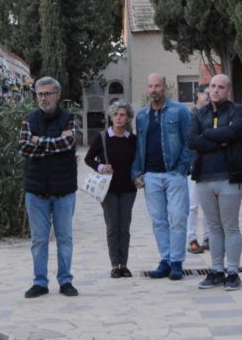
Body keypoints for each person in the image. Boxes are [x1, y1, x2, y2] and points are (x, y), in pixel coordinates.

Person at [187, 74, 242, 291]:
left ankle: (233, 272)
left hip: (230, 178)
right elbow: (192, 140)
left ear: (228, 90)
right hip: (204, 178)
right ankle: (216, 270)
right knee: (213, 228)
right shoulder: (199, 114)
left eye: (220, 87)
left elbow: (236, 131)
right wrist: (220, 140)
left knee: (230, 226)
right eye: (212, 86)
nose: (215, 90)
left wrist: (208, 135)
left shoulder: (238, 111)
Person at [19, 77, 79, 298]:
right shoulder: (29, 119)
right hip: (36, 191)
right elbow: (23, 148)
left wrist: (39, 141)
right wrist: (52, 143)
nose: (43, 98)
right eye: (40, 94)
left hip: (63, 190)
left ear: (57, 94)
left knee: (64, 238)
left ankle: (65, 281)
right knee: (39, 240)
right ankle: (40, 282)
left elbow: (68, 143)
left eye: (48, 93)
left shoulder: (68, 118)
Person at [133, 74, 193, 280]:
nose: (153, 90)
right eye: (150, 86)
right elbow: (138, 147)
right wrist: (137, 173)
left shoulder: (180, 111)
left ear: (165, 87)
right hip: (151, 176)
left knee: (178, 218)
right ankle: (165, 260)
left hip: (174, 174)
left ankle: (177, 262)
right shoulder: (141, 116)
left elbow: (190, 141)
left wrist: (182, 168)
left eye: (157, 85)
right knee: (159, 221)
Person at [87, 101, 139, 279]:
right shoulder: (102, 137)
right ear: (111, 116)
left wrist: (139, 176)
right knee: (112, 227)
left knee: (124, 227)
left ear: (128, 118)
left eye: (122, 114)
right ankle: (114, 265)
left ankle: (124, 264)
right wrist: (101, 167)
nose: (118, 117)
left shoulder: (132, 139)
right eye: (116, 114)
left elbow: (137, 162)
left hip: (128, 189)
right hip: (107, 190)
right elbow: (88, 159)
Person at [186, 91, 210, 254]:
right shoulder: (189, 117)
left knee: (209, 205)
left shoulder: (213, 115)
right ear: (197, 97)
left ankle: (208, 237)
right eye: (205, 93)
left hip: (210, 165)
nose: (209, 95)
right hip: (193, 165)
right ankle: (191, 238)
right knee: (193, 205)